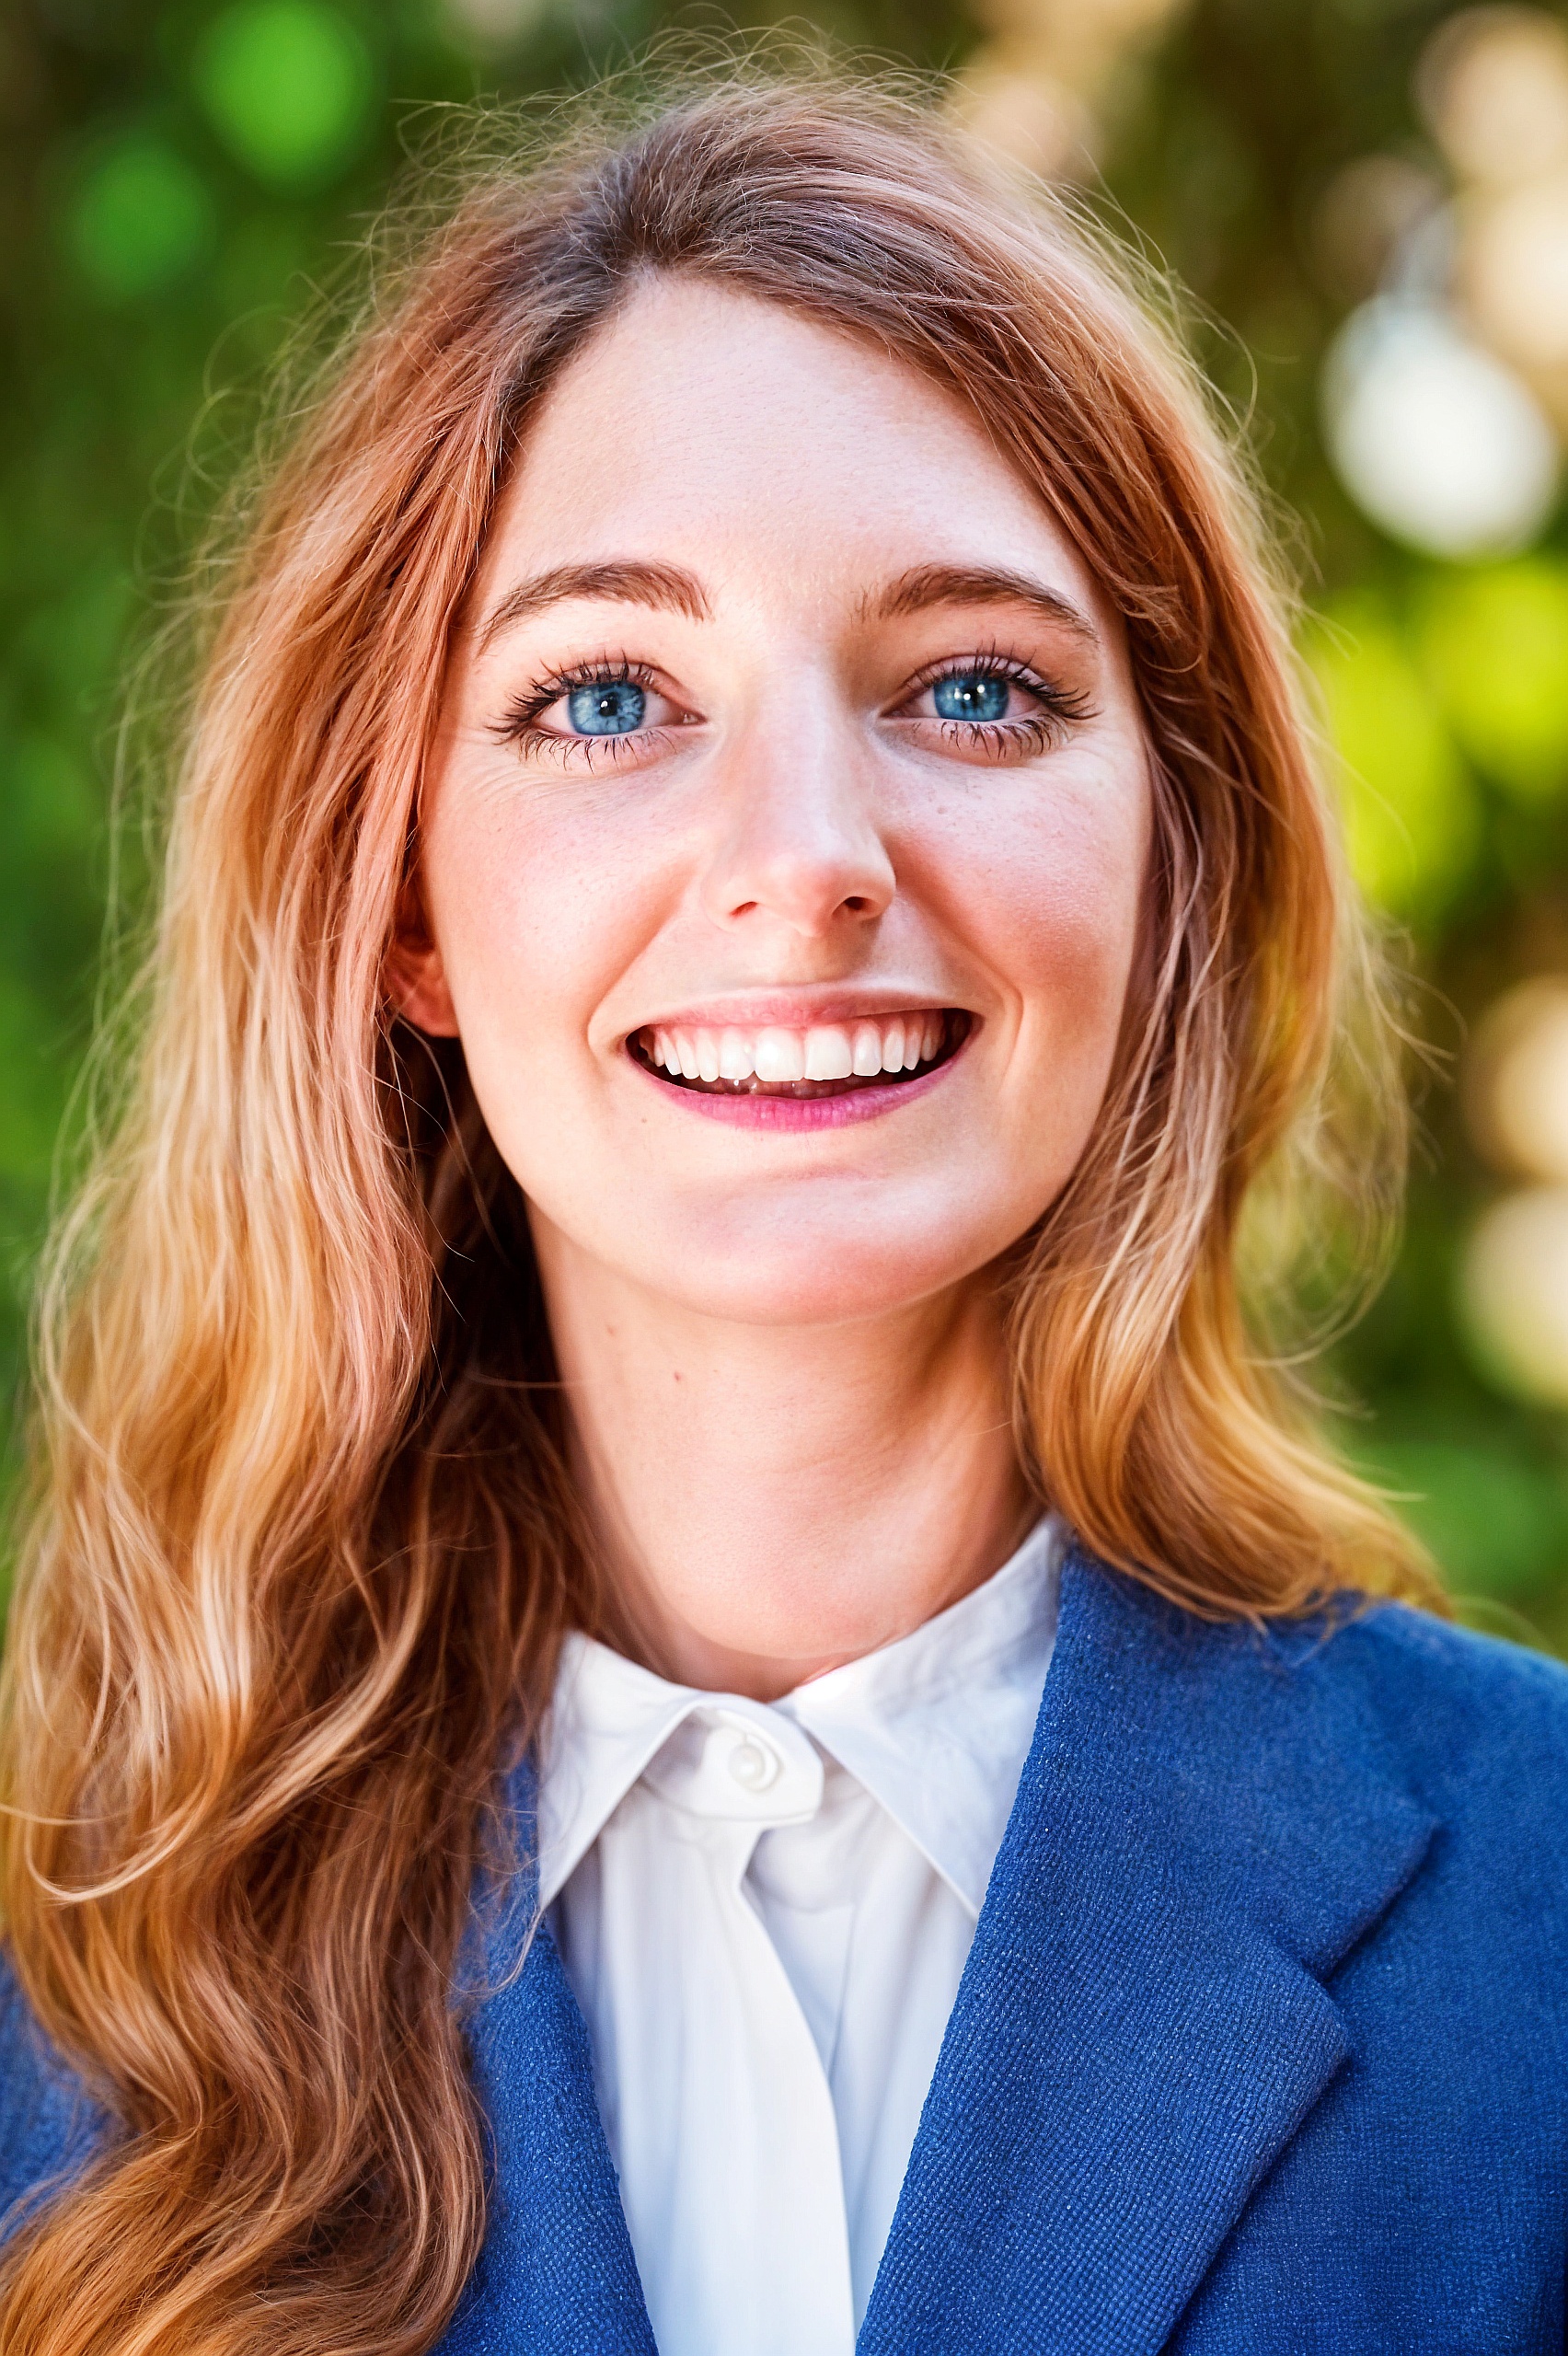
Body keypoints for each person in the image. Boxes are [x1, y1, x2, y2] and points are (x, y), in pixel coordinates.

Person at [1, 64, 1565, 2356]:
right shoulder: (63, 1977)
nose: (812, 847)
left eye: (973, 685)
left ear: (1170, 864)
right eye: (611, 692)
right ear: (401, 903)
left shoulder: (1538, 1919)